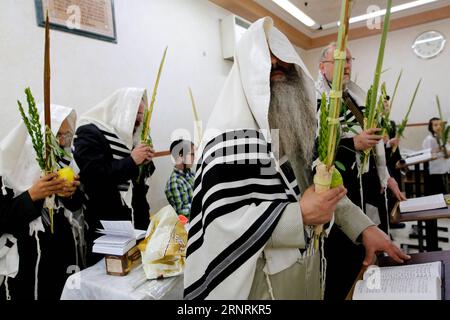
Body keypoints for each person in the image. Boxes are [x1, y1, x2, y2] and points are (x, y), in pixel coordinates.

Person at [183, 17, 409, 300]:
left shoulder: (296, 125)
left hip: (309, 269)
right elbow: (221, 226)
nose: (277, 65)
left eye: (283, 59)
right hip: (258, 285)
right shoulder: (227, 141)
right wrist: (298, 215)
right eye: (267, 61)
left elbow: (320, 186)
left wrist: (363, 227)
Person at [316, 43, 406, 300]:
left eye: (349, 60)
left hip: (364, 185)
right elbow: (316, 150)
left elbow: (374, 138)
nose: (346, 65)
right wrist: (352, 144)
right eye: (339, 60)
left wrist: (384, 174)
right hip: (336, 189)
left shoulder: (356, 96)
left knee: (365, 252)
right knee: (342, 260)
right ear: (322, 66)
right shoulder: (315, 99)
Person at [0, 104, 83, 300]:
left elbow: (78, 205)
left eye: (67, 135)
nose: (62, 142)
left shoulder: (65, 161)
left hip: (60, 251)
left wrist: (69, 194)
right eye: (57, 135)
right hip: (26, 258)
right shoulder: (7, 171)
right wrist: (31, 196)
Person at [73, 88, 155, 266]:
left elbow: (140, 178)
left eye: (142, 114)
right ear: (123, 110)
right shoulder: (89, 132)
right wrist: (132, 160)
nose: (140, 119)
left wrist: (146, 161)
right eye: (136, 113)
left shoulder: (134, 135)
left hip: (137, 218)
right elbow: (94, 176)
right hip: (107, 224)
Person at [165, 139, 195, 219]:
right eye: (192, 154)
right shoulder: (174, 183)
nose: (194, 157)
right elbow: (182, 215)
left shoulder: (192, 174)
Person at [422, 117, 450, 195]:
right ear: (431, 127)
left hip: (443, 170)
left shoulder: (442, 138)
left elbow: (447, 153)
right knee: (436, 192)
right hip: (435, 171)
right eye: (435, 125)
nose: (438, 127)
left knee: (444, 192)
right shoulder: (429, 139)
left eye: (440, 125)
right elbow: (426, 153)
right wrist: (439, 149)